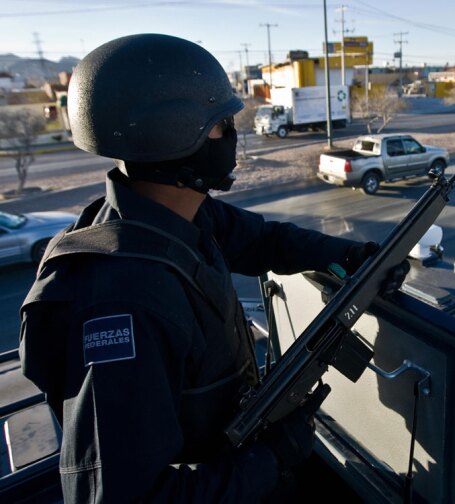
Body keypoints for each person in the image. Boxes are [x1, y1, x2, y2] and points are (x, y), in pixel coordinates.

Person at [18, 34, 408, 503]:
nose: (233, 135)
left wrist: (351, 257)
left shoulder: (170, 214)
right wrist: (270, 458)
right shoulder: (125, 300)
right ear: (175, 134)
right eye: (222, 124)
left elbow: (265, 241)